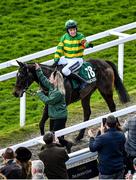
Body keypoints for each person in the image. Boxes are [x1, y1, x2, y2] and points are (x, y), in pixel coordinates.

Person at [35, 63, 73, 153]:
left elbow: (49, 101)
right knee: (55, 135)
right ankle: (64, 146)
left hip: (59, 118)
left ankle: (64, 146)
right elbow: (44, 80)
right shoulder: (52, 87)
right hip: (54, 116)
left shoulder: (58, 92)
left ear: (55, 79)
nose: (49, 78)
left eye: (51, 77)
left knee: (56, 136)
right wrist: (38, 70)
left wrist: (39, 93)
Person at [53, 19, 93, 85]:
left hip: (77, 60)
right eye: (71, 30)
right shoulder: (64, 37)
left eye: (74, 29)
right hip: (66, 58)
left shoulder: (80, 36)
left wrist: (88, 45)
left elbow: (84, 42)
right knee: (54, 64)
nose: (73, 31)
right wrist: (56, 58)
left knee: (65, 71)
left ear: (76, 29)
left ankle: (83, 81)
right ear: (67, 31)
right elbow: (59, 48)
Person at [88, 115, 126, 179]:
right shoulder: (121, 135)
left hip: (107, 171)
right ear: (116, 123)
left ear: (106, 124)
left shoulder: (102, 138)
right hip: (119, 168)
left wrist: (91, 137)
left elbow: (92, 148)